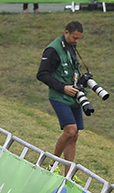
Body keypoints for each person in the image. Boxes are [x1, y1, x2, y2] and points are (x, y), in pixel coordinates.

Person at [37, 21, 87, 167]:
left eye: (79, 39)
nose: (76, 41)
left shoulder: (71, 46)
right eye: (74, 38)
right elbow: (42, 74)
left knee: (75, 135)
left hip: (74, 95)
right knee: (70, 130)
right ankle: (54, 163)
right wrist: (63, 87)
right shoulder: (52, 50)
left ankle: (68, 175)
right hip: (59, 95)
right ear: (66, 33)